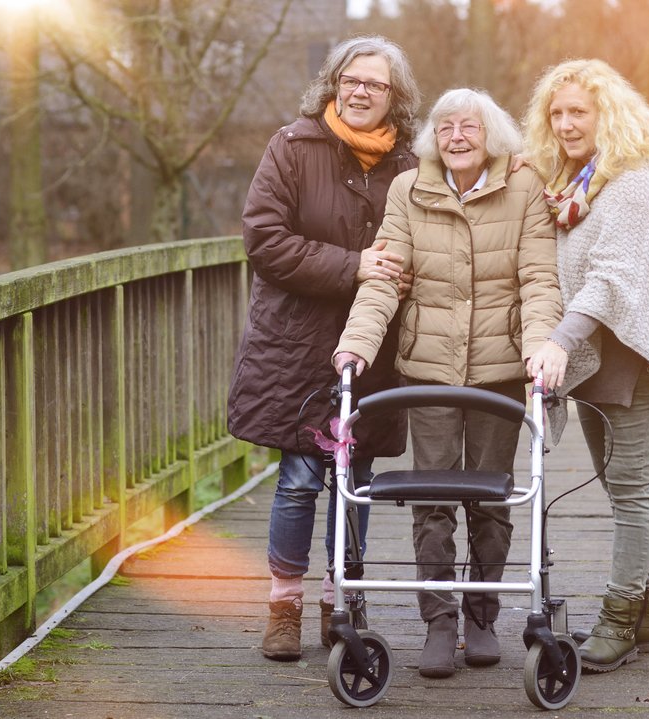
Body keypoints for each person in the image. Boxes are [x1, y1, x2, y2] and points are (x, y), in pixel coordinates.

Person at [334, 88, 565, 679]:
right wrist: (357, 345)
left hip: (500, 370)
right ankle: (439, 622)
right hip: (429, 370)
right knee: (432, 498)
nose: (456, 137)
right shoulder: (407, 190)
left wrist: (541, 345)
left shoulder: (525, 189)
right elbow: (385, 278)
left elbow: (539, 277)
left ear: (492, 135)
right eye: (445, 128)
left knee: (491, 496)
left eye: (469, 127)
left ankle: (483, 617)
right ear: (432, 139)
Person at [227, 35, 422, 662]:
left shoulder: (413, 165)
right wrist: (355, 265)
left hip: (374, 349)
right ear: (334, 83)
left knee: (357, 477)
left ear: (396, 97)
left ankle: (342, 601)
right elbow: (264, 240)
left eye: (375, 83)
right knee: (300, 478)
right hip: (299, 344)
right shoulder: (293, 147)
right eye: (351, 79)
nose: (360, 91)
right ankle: (283, 605)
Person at [521, 58, 649, 673]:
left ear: (608, 114)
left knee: (631, 490)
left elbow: (614, 277)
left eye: (580, 111)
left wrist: (560, 341)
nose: (567, 123)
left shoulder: (636, 180)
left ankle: (620, 618)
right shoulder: (574, 185)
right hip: (596, 358)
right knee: (617, 486)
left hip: (635, 356)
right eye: (558, 113)